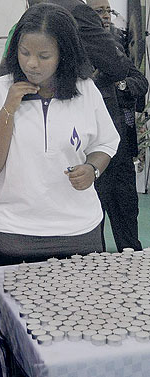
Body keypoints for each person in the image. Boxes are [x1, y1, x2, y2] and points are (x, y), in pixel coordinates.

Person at [0, 3, 120, 266]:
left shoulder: (85, 90)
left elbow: (105, 143)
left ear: (64, 54)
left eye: (44, 56)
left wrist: (92, 169)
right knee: (15, 306)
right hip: (16, 233)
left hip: (79, 231)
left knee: (80, 305)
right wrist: (9, 108)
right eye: (24, 52)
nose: (31, 64)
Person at [87, 0, 148, 252]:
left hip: (121, 151)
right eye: (98, 11)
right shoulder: (74, 47)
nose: (106, 16)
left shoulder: (116, 45)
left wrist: (119, 86)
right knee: (92, 230)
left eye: (108, 11)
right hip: (90, 154)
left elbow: (140, 82)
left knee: (128, 229)